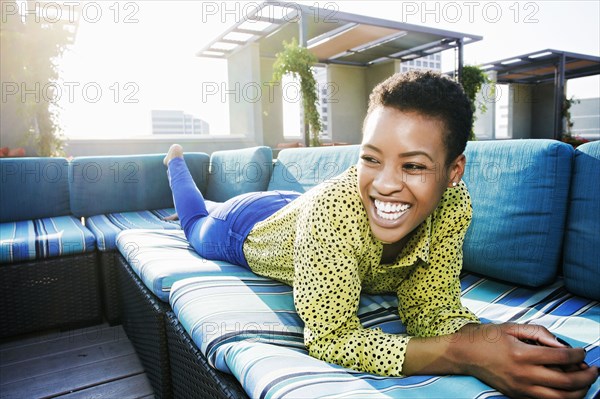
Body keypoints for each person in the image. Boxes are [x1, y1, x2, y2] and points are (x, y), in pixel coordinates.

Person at [164, 71, 597, 398]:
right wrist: (461, 354)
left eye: (413, 166)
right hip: (245, 227)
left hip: (299, 208)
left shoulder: (454, 203)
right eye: (371, 159)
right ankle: (175, 165)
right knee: (195, 224)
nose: (386, 183)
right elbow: (332, 339)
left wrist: (488, 339)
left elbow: (430, 307)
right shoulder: (333, 210)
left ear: (454, 172)